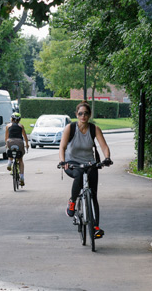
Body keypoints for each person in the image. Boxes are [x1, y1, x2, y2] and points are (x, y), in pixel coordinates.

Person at [58, 101, 112, 239]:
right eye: (80, 113)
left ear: (89, 115)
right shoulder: (70, 128)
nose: (83, 116)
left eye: (86, 113)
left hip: (90, 164)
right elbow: (62, 147)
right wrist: (63, 161)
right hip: (72, 163)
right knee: (79, 174)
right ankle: (72, 202)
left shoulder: (94, 129)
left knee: (93, 196)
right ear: (76, 114)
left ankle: (95, 228)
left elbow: (104, 146)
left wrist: (107, 158)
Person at [5, 112, 29, 186]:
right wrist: (27, 144)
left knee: (10, 151)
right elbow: (25, 137)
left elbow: (6, 137)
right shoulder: (21, 126)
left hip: (10, 141)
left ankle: (9, 162)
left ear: (12, 119)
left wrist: (6, 144)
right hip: (19, 142)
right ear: (19, 119)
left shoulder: (8, 126)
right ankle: (21, 177)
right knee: (20, 159)